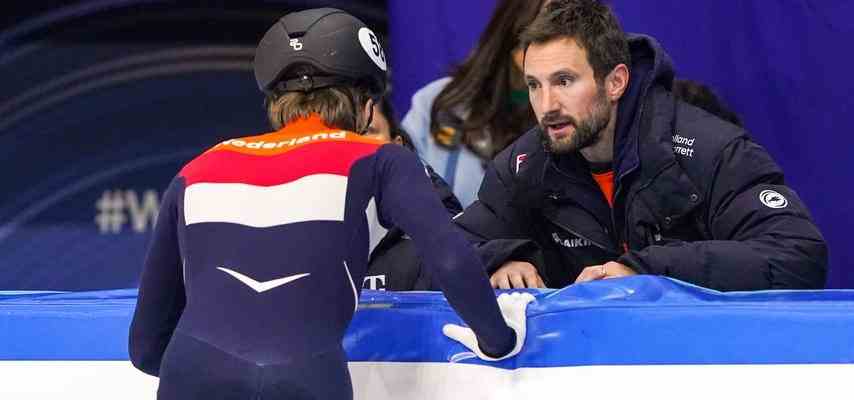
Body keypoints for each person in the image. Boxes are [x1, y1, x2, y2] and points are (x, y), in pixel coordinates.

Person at [128, 8, 533, 400]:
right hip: (306, 378)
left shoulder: (199, 168)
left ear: (273, 101)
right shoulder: (381, 160)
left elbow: (145, 346)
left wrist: (210, 372)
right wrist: (499, 340)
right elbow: (450, 261)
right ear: (365, 104)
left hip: (192, 376)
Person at [455, 0, 827, 291]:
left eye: (565, 81)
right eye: (534, 85)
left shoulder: (711, 151)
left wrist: (643, 272)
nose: (547, 105)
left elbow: (797, 254)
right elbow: (441, 249)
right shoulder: (523, 165)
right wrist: (499, 259)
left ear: (615, 82)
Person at [401, 0, 546, 207]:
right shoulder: (438, 101)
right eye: (543, 31)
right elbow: (401, 191)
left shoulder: (569, 115)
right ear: (513, 32)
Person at [364, 98, 463, 291]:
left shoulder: (445, 224)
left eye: (369, 131)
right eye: (346, 133)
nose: (357, 143)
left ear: (397, 146)